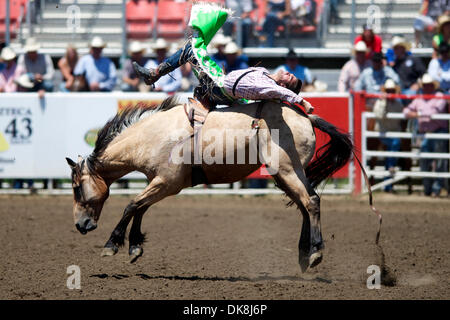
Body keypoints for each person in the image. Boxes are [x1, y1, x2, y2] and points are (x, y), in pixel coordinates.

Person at [133, 3, 313, 113]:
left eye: (290, 77)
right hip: (223, 88)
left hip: (220, 87)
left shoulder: (271, 88)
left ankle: (155, 73)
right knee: (194, 55)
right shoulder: (264, 73)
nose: (288, 73)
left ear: (282, 85)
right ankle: (204, 101)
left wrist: (302, 101)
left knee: (191, 50)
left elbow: (283, 94)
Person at [403, 74, 449, 197]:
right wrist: (416, 114)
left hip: (438, 132)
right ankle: (428, 189)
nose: (426, 87)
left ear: (433, 86)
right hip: (425, 133)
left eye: (429, 85)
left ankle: (436, 189)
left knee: (439, 162)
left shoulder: (439, 96)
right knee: (424, 161)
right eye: (425, 85)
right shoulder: (419, 98)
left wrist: (417, 113)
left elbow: (433, 112)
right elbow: (406, 111)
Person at [372, 79, 404, 192]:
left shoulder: (398, 103)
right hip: (383, 133)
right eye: (388, 90)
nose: (390, 92)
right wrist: (384, 101)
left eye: (392, 90)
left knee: (392, 149)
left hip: (392, 133)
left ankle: (388, 184)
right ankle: (389, 175)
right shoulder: (380, 102)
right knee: (394, 145)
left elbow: (401, 117)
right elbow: (379, 115)